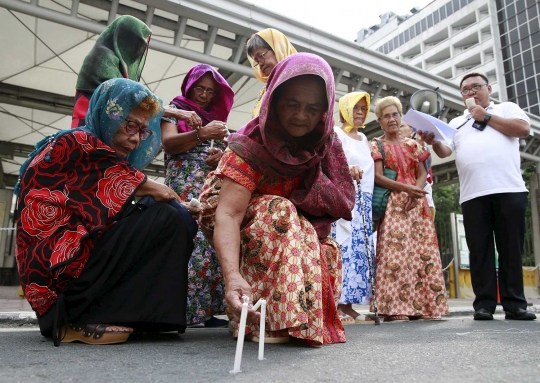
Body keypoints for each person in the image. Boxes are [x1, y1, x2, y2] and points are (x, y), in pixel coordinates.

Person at [16, 78, 199, 346]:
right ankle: (80, 317)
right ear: (108, 114)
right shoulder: (79, 142)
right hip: (61, 287)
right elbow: (158, 191)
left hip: (73, 269)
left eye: (143, 131)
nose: (136, 139)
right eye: (130, 125)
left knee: (167, 214)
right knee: (168, 215)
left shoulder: (96, 151)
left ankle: (136, 315)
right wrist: (182, 206)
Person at [199, 53, 355, 345]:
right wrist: (232, 276)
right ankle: (261, 320)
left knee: (325, 246)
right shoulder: (251, 144)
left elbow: (333, 202)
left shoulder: (324, 144)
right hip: (232, 214)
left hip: (287, 222)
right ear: (274, 99)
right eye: (293, 104)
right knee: (279, 210)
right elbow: (228, 215)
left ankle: (299, 321)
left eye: (313, 108)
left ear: (325, 110)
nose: (301, 116)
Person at [419, 73, 536, 321]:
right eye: (465, 90)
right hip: (473, 194)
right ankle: (484, 304)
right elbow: (444, 150)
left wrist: (487, 117)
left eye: (476, 87)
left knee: (510, 248)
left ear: (488, 89)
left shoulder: (506, 108)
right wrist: (431, 141)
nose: (471, 93)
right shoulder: (458, 121)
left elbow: (523, 130)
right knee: (479, 251)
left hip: (509, 189)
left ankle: (515, 304)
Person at [161, 64, 234, 327]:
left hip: (208, 185)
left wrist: (219, 158)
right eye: (199, 88)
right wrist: (202, 133)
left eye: (210, 91)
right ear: (189, 86)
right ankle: (187, 311)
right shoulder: (173, 108)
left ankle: (205, 312)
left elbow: (221, 154)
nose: (204, 95)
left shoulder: (214, 118)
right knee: (188, 242)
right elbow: (168, 142)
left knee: (210, 245)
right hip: (182, 183)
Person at [371, 96, 449, 322]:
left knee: (422, 254)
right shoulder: (376, 144)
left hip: (417, 205)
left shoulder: (413, 144)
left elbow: (423, 172)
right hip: (394, 206)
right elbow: (377, 177)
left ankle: (422, 306)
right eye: (386, 116)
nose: (392, 119)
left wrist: (415, 192)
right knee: (395, 256)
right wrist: (407, 189)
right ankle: (396, 308)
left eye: (395, 114)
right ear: (380, 121)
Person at [331, 91, 375, 324]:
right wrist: (348, 171)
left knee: (359, 252)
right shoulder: (337, 133)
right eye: (355, 107)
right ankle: (336, 303)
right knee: (343, 248)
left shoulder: (364, 138)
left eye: (363, 108)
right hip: (346, 197)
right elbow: (333, 163)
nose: (360, 112)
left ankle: (348, 305)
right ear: (344, 110)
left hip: (364, 198)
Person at [72, 15, 151, 128]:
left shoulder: (118, 63)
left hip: (103, 125)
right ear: (126, 37)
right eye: (138, 43)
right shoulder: (103, 55)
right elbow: (115, 94)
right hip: (87, 123)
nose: (140, 50)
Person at [245, 28, 297, 117]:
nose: (260, 63)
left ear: (279, 49)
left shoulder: (298, 80)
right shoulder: (265, 91)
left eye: (261, 55)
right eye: (256, 61)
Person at [400, 122, 436, 220]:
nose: (397, 128)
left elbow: (424, 171)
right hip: (399, 202)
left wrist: (420, 145)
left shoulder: (421, 148)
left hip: (423, 202)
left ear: (412, 131)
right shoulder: (389, 149)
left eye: (401, 126)